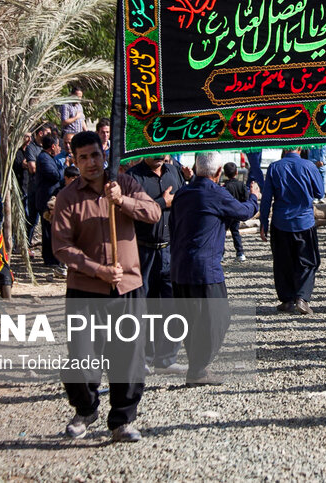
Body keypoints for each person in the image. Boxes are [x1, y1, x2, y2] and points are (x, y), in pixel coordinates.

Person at [51, 130, 161, 443]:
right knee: (81, 356)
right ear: (74, 160)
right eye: (82, 157)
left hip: (127, 288)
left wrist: (122, 201)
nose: (90, 163)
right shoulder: (68, 198)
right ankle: (85, 409)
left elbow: (153, 213)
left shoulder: (124, 184)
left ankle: (122, 420)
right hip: (86, 291)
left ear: (104, 155)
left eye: (95, 155)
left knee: (128, 355)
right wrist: (97, 270)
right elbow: (61, 246)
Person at [170, 152, 260, 386]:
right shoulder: (215, 193)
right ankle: (199, 369)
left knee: (190, 321)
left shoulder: (182, 193)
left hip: (180, 266)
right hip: (204, 269)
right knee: (218, 319)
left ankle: (196, 369)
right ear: (218, 173)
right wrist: (254, 196)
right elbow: (244, 213)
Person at [126, 154, 187, 374]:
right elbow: (132, 211)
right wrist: (163, 202)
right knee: (142, 306)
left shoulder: (174, 172)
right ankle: (142, 358)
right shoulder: (133, 177)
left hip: (170, 249)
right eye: (155, 151)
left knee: (173, 305)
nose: (160, 155)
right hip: (142, 250)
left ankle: (167, 359)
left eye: (162, 151)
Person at [260, 148, 324, 314]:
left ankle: (287, 299)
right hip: (304, 222)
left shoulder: (274, 167)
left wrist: (263, 224)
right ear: (300, 148)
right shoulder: (309, 166)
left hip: (281, 222)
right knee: (309, 262)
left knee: (282, 262)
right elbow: (320, 192)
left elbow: (266, 198)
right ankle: (302, 298)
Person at [34, 135, 64, 275]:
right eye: (58, 145)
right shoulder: (43, 158)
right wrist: (64, 169)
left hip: (49, 198)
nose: (59, 148)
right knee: (47, 230)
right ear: (53, 146)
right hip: (45, 199)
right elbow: (55, 175)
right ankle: (50, 258)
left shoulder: (47, 158)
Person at [221, 161, 250, 262]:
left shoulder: (225, 187)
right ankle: (240, 253)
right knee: (235, 232)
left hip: (227, 213)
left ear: (225, 174)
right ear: (237, 172)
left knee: (222, 233)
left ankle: (221, 254)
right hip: (237, 212)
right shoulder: (241, 185)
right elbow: (246, 197)